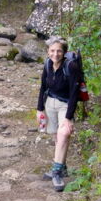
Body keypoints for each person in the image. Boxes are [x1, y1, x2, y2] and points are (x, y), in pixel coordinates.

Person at [36, 36, 79, 192]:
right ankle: (63, 166)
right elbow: (42, 86)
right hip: (50, 103)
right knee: (56, 136)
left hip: (65, 105)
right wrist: (39, 109)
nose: (55, 54)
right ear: (48, 52)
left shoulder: (71, 66)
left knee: (64, 133)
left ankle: (57, 171)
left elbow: (74, 93)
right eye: (52, 50)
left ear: (64, 52)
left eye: (59, 51)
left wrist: (68, 118)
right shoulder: (47, 64)